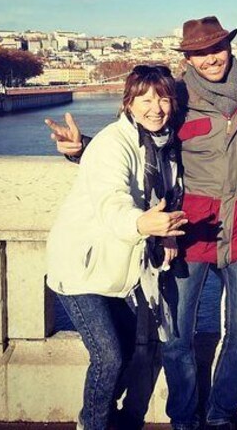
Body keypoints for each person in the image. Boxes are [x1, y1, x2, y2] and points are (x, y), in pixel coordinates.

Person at [48, 16, 237, 430]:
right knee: (174, 337)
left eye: (216, 48)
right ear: (188, 58)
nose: (210, 59)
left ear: (230, 47)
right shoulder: (178, 97)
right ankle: (184, 418)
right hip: (187, 230)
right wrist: (83, 149)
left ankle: (221, 414)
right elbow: (134, 146)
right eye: (199, 53)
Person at [46, 65, 188, 430]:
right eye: (145, 100)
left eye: (163, 99)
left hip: (117, 268)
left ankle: (106, 417)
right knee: (108, 356)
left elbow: (163, 194)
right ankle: (92, 423)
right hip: (81, 265)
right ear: (128, 103)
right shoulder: (113, 143)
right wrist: (142, 225)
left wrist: (166, 231)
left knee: (125, 348)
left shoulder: (164, 145)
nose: (155, 108)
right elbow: (112, 200)